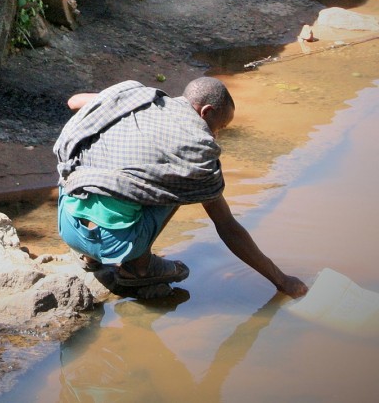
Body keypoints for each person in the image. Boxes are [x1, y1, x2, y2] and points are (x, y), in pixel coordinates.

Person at [53, 77, 308, 298]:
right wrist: (282, 281)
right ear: (205, 112)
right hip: (112, 244)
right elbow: (227, 226)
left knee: (98, 167)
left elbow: (74, 101)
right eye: (219, 127)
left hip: (67, 224)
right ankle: (138, 268)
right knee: (180, 182)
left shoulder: (136, 97)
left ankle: (89, 257)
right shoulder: (195, 153)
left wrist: (113, 105)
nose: (216, 136)